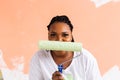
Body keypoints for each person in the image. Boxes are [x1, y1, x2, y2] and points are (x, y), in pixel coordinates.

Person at [29, 15, 103, 80]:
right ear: (48, 36)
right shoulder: (38, 58)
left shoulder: (86, 59)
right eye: (53, 35)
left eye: (65, 35)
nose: (59, 40)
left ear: (71, 36)